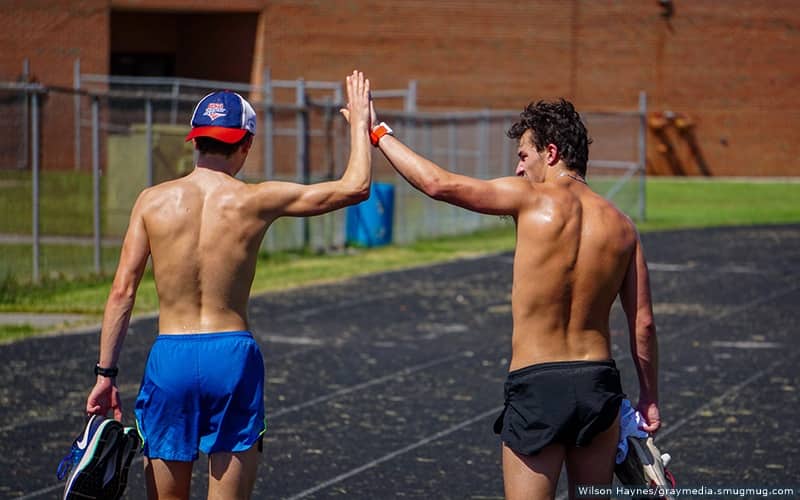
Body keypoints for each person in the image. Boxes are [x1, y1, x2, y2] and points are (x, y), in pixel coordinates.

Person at [83, 70, 373, 499]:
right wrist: (362, 126)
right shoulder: (256, 199)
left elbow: (122, 292)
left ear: (195, 141)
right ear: (246, 144)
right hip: (232, 358)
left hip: (171, 359)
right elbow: (356, 187)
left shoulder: (152, 201)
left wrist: (105, 375)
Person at [369, 99, 660, 499]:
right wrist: (649, 398)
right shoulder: (623, 226)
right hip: (598, 385)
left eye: (524, 156)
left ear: (551, 153)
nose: (519, 169)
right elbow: (643, 324)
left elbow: (437, 183)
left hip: (538, 384)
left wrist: (378, 133)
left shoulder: (529, 197)